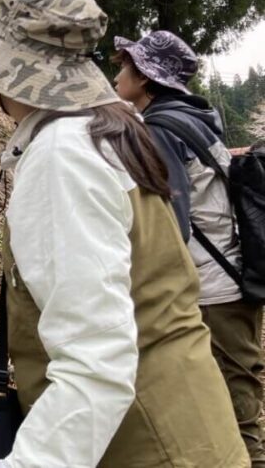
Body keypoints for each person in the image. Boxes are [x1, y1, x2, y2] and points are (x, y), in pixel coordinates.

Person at [0, 0, 247, 467]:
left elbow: (97, 365)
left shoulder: (64, 157)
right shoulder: (106, 129)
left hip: (145, 446)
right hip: (181, 428)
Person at [113, 30, 265, 465]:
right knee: (236, 388)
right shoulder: (193, 119)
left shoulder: (162, 130)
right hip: (229, 276)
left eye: (126, 65)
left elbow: (170, 223)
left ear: (145, 78)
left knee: (235, 399)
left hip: (213, 289)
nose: (118, 72)